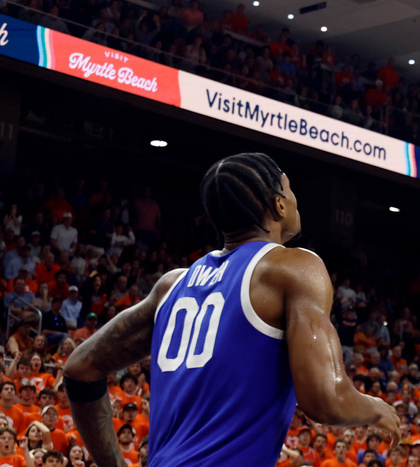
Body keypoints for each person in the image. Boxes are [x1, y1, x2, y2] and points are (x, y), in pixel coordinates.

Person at [63, 152, 401, 467]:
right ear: (279, 205)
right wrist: (376, 409)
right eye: (290, 188)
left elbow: (80, 369)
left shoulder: (171, 286)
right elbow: (325, 399)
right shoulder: (293, 268)